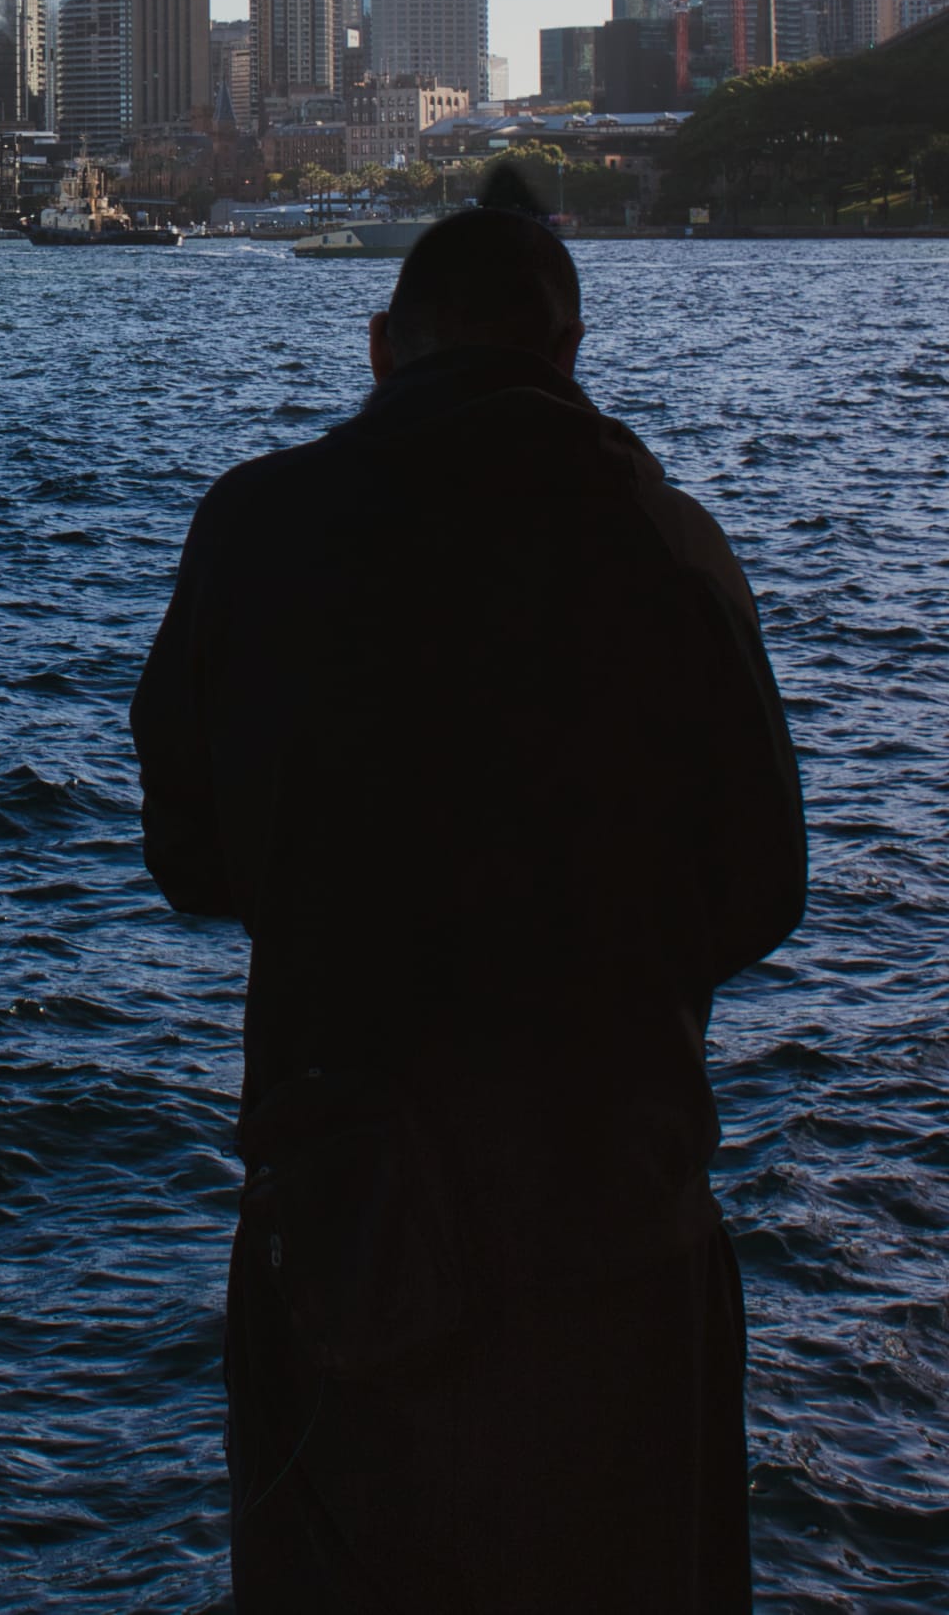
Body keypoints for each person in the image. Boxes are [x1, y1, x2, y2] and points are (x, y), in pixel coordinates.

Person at [130, 190, 805, 1613]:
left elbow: (189, 858)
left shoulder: (256, 529)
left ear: (383, 345)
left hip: (352, 1215)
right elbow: (764, 888)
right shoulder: (670, 545)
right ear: (570, 353)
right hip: (616, 1203)